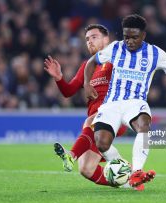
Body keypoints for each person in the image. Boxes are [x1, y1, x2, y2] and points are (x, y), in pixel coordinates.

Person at [84, 14, 166, 187]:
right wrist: (87, 83)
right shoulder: (115, 48)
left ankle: (137, 171)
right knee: (101, 143)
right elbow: (92, 62)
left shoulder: (155, 53)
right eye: (126, 37)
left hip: (135, 103)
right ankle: (128, 178)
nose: (129, 41)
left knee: (143, 125)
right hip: (112, 104)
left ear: (143, 35)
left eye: (134, 37)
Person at [44, 24, 143, 189]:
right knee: (86, 169)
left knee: (92, 120)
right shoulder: (86, 66)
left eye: (94, 37)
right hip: (96, 124)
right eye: (87, 39)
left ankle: (71, 155)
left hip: (116, 115)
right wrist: (59, 78)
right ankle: (129, 183)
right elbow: (68, 92)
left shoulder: (118, 59)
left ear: (106, 39)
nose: (89, 42)